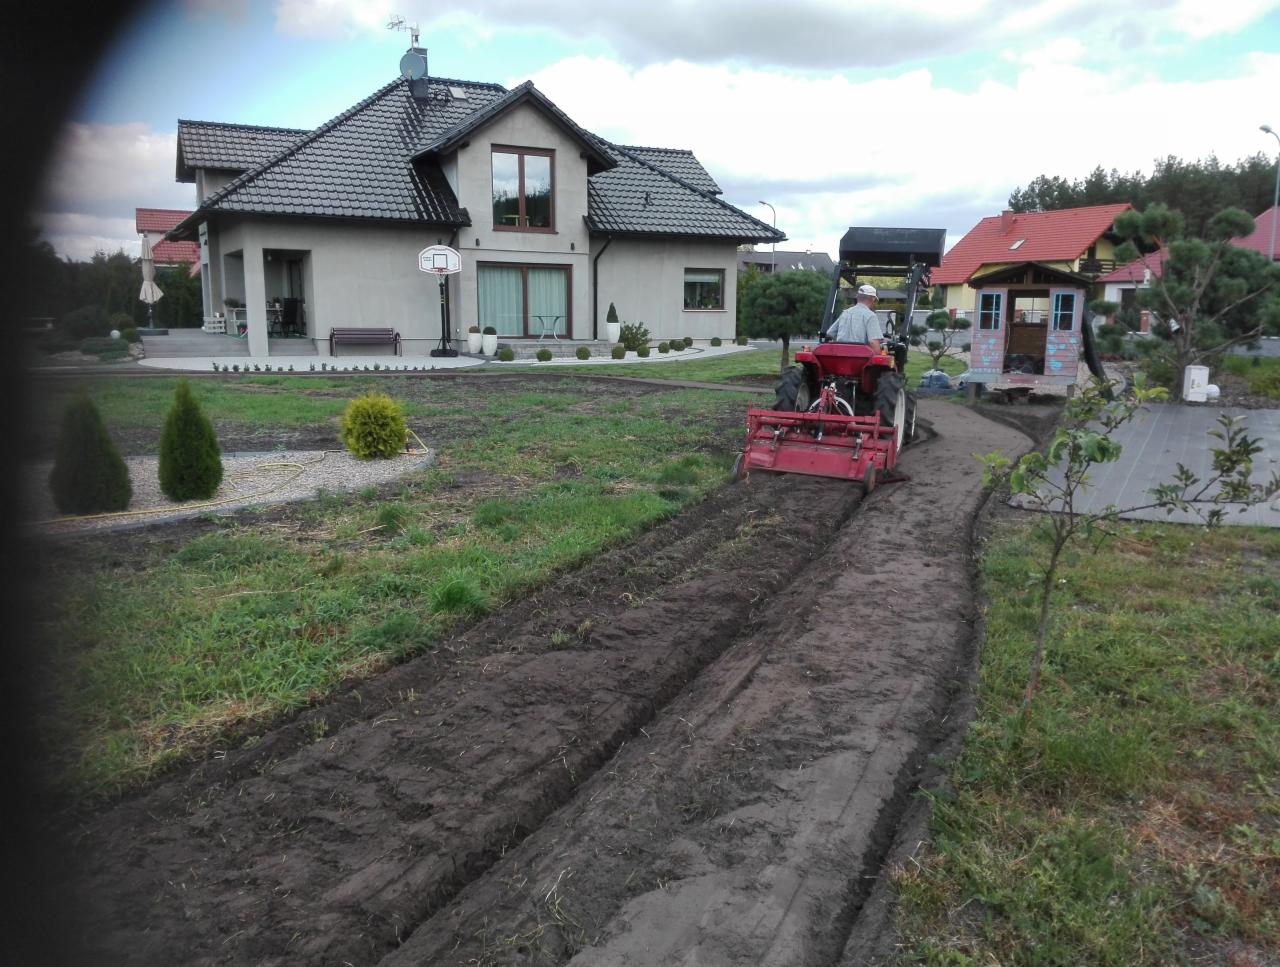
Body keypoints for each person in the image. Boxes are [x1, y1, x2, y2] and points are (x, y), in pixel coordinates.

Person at [829, 283, 883, 353]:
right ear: (873, 299)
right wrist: (879, 356)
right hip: (860, 358)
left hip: (840, 355)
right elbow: (873, 342)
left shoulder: (845, 313)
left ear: (857, 297)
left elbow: (830, 332)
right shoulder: (871, 316)